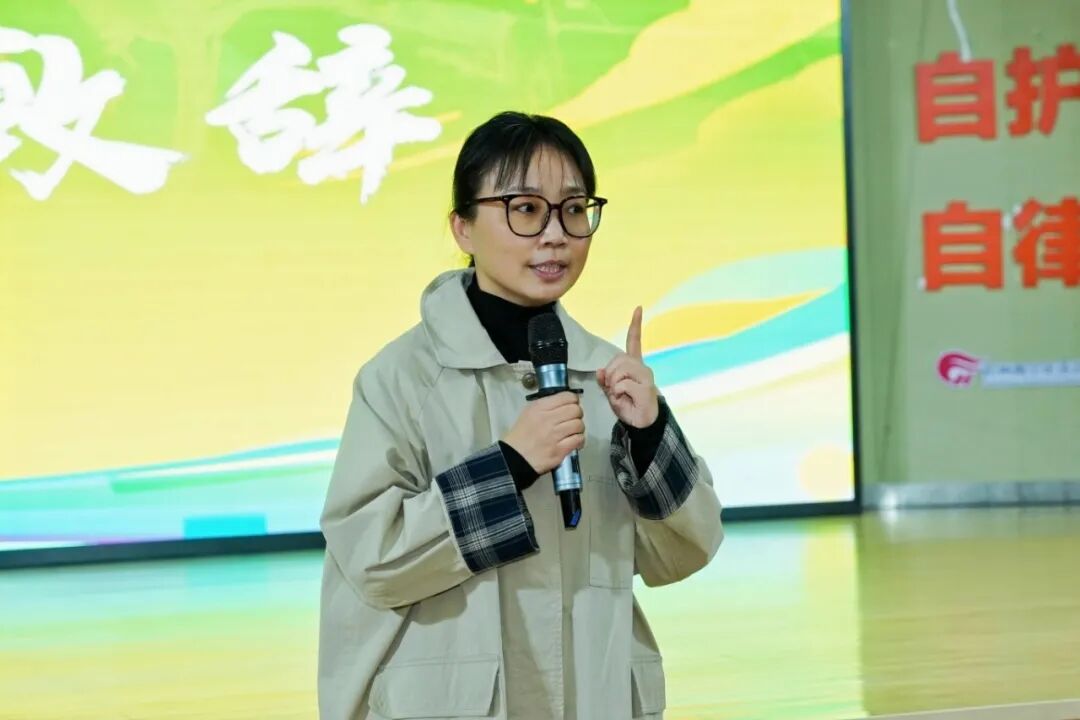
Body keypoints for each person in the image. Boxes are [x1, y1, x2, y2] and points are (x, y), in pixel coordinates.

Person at [318, 111, 723, 720]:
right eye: (526, 209)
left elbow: (683, 553)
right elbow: (373, 559)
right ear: (462, 227)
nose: (555, 234)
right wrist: (509, 466)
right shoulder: (402, 379)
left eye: (573, 209)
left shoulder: (609, 378)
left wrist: (649, 438)